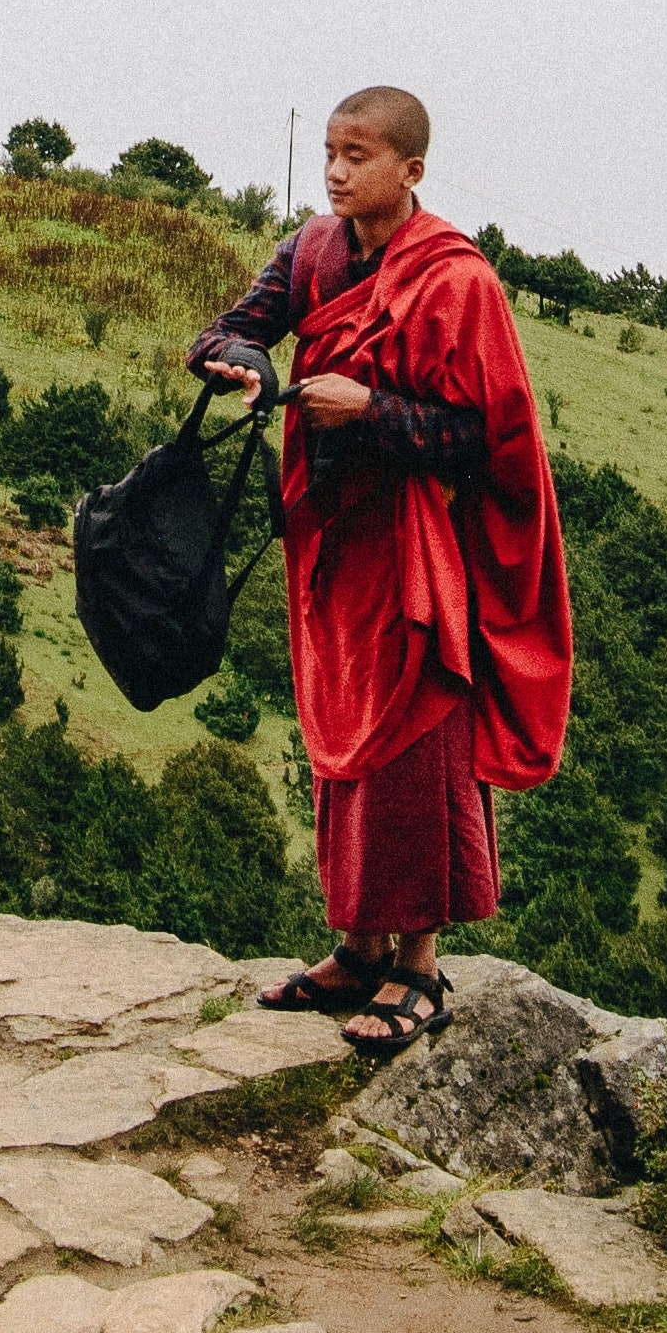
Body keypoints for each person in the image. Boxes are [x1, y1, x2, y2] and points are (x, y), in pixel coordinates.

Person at [189, 87, 571, 1061]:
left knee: (415, 749)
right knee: (341, 741)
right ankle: (358, 948)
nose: (334, 170)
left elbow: (479, 438)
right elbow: (231, 331)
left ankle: (419, 967)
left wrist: (369, 410)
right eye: (328, 151)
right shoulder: (312, 253)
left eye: (357, 154)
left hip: (416, 545)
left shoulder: (456, 280)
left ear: (410, 171)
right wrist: (239, 365)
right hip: (330, 540)